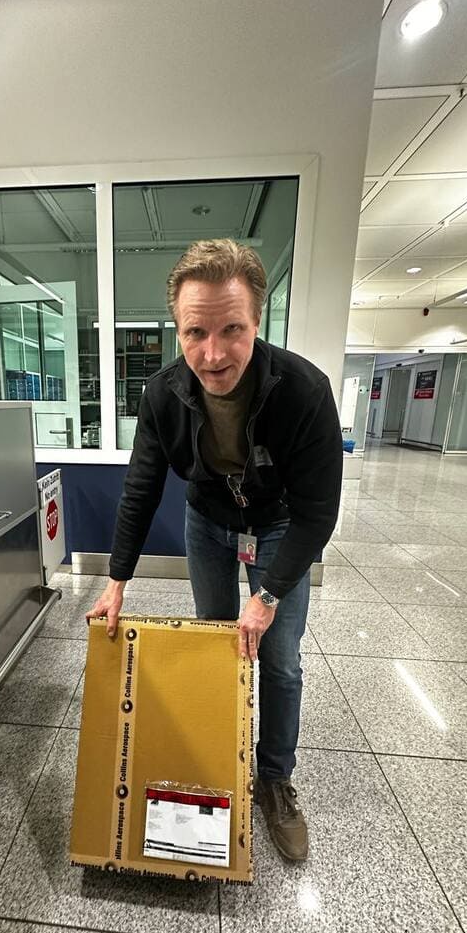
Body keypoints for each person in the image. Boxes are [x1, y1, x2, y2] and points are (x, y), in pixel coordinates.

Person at [86, 239, 342, 861]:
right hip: (208, 519)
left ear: (258, 321)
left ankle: (274, 780)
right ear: (177, 329)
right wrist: (117, 580)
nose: (213, 353)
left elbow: (318, 512)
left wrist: (270, 593)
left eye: (233, 329)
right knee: (214, 644)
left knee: (277, 657)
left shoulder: (303, 391)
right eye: (194, 332)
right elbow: (142, 489)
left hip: (281, 525)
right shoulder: (164, 393)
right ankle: (217, 761)